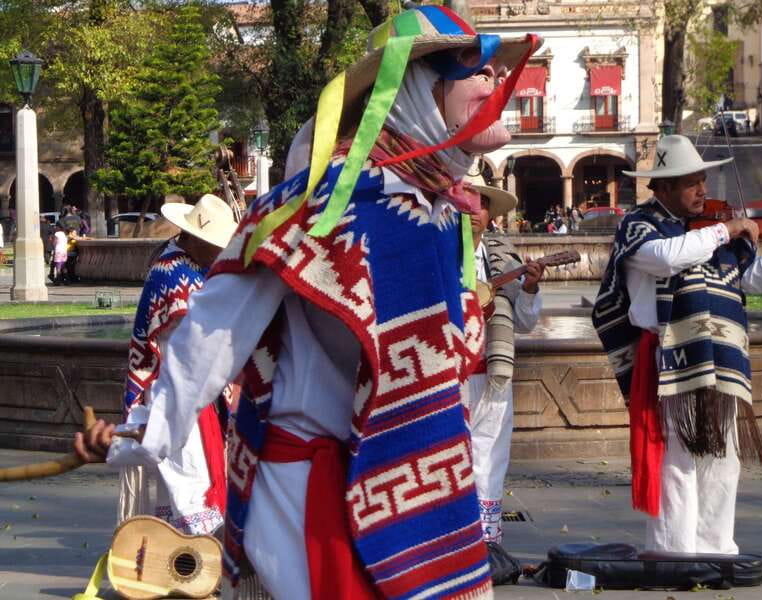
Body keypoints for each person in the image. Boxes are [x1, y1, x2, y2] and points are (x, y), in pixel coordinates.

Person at [74, 6, 542, 598]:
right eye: (475, 69)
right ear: (419, 89)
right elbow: (214, 330)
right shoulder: (322, 207)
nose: (495, 83)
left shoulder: (442, 216)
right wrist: (140, 436)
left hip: (417, 498)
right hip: (314, 505)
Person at [592, 134, 762, 554]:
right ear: (663, 187)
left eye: (703, 180)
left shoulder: (708, 233)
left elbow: (748, 278)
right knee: (678, 459)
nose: (704, 190)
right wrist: (726, 229)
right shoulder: (641, 227)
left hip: (718, 357)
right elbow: (670, 257)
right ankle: (674, 553)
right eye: (692, 183)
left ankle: (715, 550)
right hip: (671, 359)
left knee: (724, 458)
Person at [108, 194, 238, 535]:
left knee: (188, 475)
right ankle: (195, 556)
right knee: (190, 478)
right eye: (214, 244)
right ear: (193, 237)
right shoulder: (170, 272)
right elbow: (198, 331)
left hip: (191, 390)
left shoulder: (193, 264)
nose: (218, 251)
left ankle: (181, 562)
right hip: (173, 391)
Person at [465, 172, 542, 550]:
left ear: (490, 212)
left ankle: (487, 547)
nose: (472, 210)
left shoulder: (503, 259)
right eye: (465, 199)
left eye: (480, 202)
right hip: (446, 377)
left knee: (491, 460)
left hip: (494, 375)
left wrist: (528, 288)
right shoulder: (430, 254)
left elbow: (525, 323)